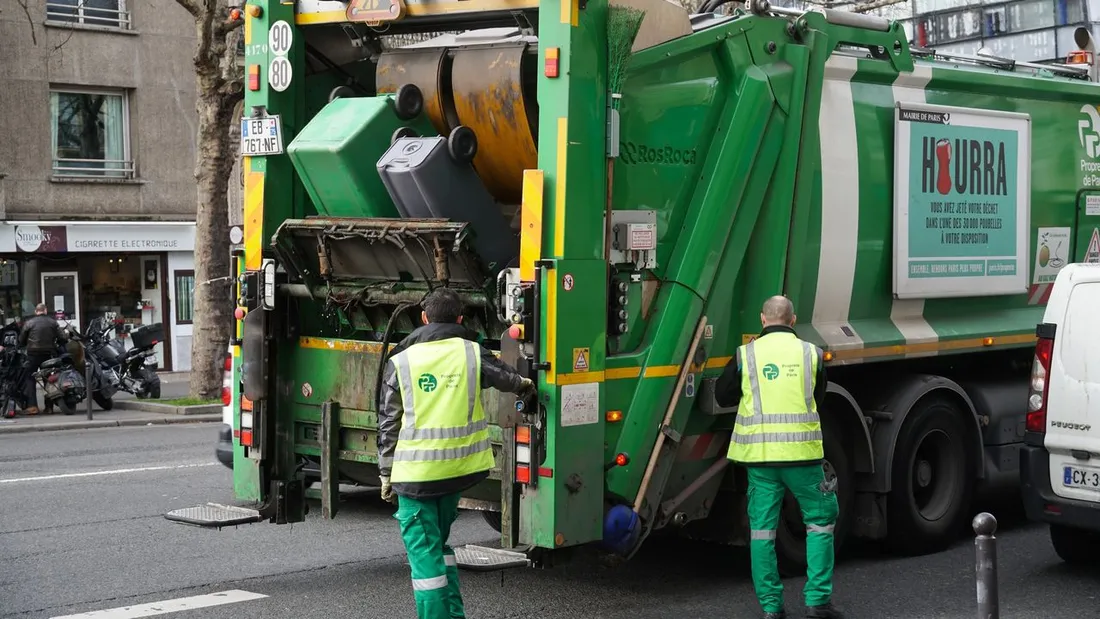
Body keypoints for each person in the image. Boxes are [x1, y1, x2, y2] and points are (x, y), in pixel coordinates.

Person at [377, 287, 535, 619]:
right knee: (439, 547)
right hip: (457, 475)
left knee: (426, 562)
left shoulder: (401, 361)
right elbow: (507, 378)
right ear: (461, 319)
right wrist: (525, 385)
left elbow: (389, 423)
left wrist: (385, 473)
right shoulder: (472, 353)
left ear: (423, 318)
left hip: (416, 479)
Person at [715, 295, 842, 619]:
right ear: (793, 319)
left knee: (762, 532)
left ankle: (772, 608)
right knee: (821, 524)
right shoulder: (810, 353)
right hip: (803, 458)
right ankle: (817, 602)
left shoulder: (746, 355)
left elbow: (723, 394)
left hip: (761, 460)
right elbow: (819, 396)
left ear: (762, 319)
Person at [18, 303, 68, 415]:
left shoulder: (29, 323)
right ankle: (49, 407)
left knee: (30, 378)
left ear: (36, 312)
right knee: (48, 379)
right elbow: (62, 338)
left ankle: (32, 406)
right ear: (45, 311)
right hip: (49, 354)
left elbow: (21, 340)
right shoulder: (53, 322)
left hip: (32, 354)